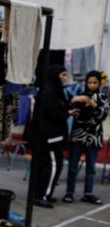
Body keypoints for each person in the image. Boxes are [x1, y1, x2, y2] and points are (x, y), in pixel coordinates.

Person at [63, 71, 109, 205]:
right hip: (78, 135)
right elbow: (70, 111)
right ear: (86, 83)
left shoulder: (103, 97)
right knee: (72, 166)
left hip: (94, 137)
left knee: (91, 167)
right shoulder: (78, 96)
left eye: (95, 82)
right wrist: (74, 100)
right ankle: (69, 192)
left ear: (99, 83)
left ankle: (88, 193)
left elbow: (103, 116)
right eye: (89, 82)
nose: (92, 85)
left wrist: (93, 104)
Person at [33, 65, 72, 208]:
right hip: (50, 137)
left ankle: (44, 194)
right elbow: (54, 114)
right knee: (53, 166)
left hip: (53, 136)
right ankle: (42, 195)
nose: (65, 78)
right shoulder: (49, 92)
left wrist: (69, 107)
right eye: (62, 75)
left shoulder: (54, 91)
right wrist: (68, 113)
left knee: (50, 165)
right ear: (55, 75)